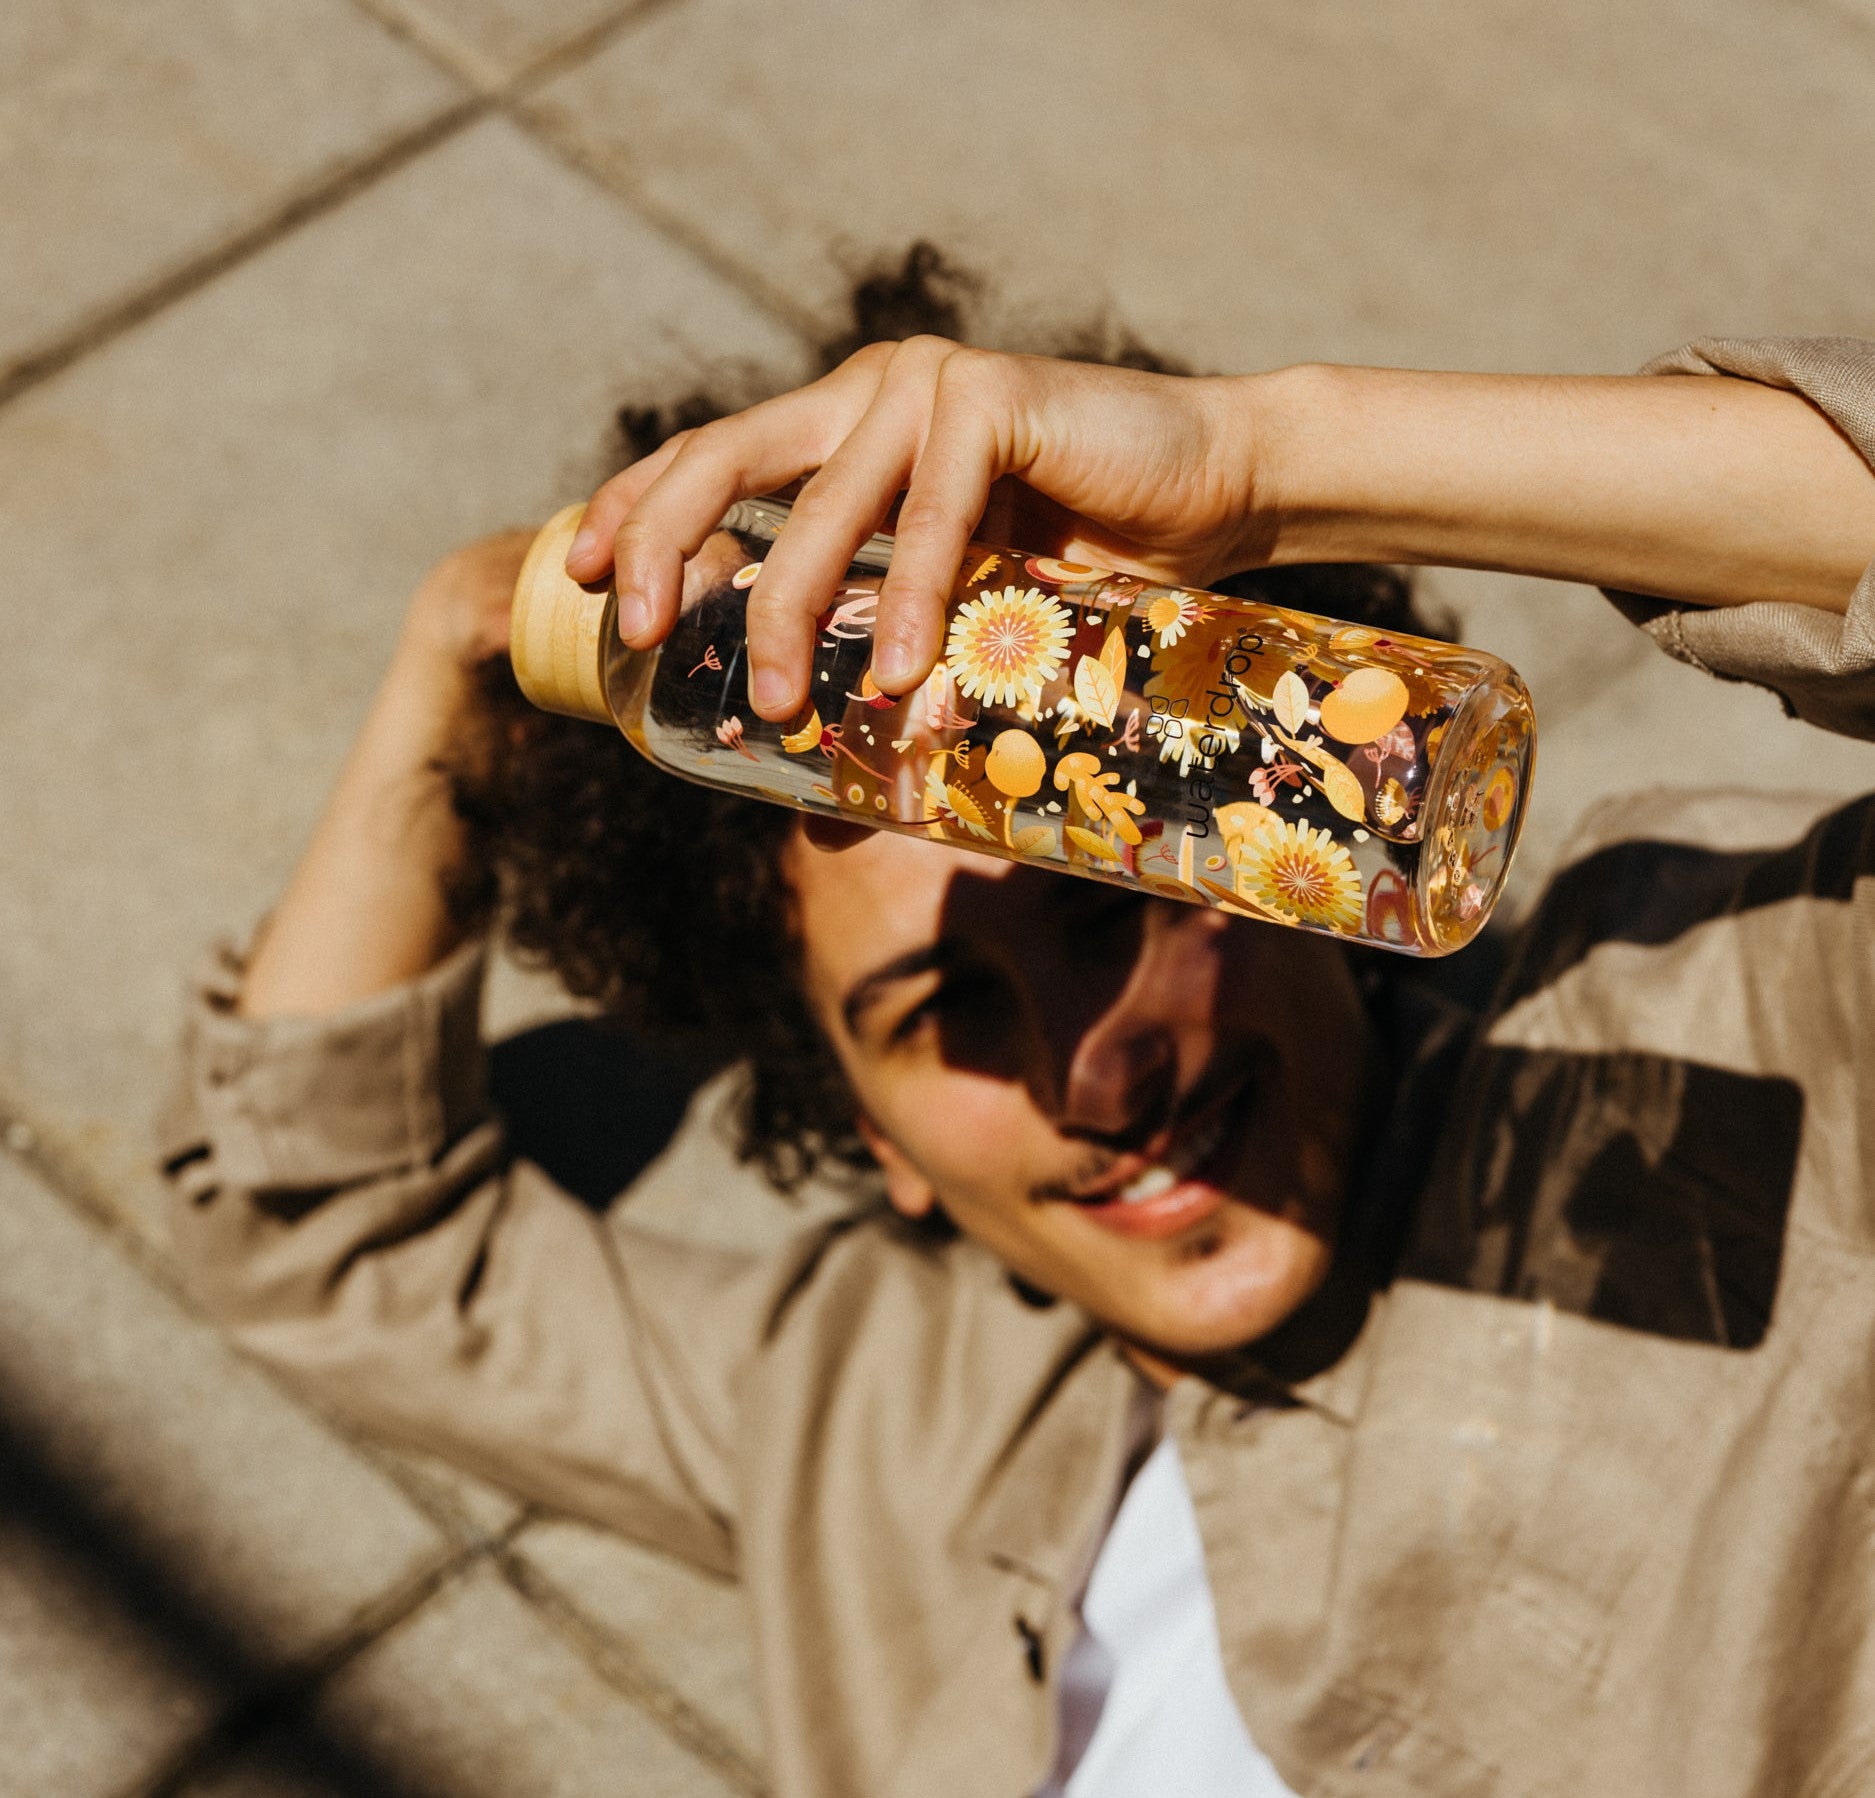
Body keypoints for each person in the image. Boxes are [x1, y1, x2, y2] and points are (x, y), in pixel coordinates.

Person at [163, 259, 1875, 1796]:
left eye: (1113, 906)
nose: (1100, 1068)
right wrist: (475, 647)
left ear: (1277, 849)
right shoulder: (862, 1397)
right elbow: (320, 1226)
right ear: (866, 1128)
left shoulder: (1713, 1011)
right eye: (946, 1014)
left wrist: (1261, 466)